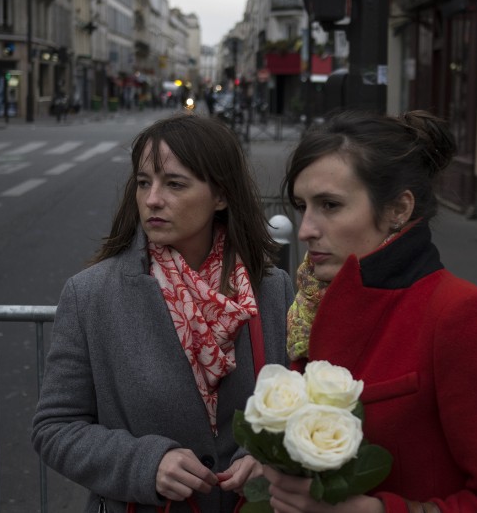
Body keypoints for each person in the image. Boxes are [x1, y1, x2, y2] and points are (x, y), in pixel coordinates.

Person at [265, 110, 477, 513]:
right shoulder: (311, 305)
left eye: (329, 205)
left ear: (398, 209)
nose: (305, 229)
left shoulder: (462, 316)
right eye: (302, 206)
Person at [31, 112, 296, 513]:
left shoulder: (272, 289)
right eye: (143, 183)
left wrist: (268, 456)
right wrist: (145, 463)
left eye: (174, 183)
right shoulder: (91, 294)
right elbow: (55, 427)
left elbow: (300, 410)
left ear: (221, 195)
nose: (152, 199)